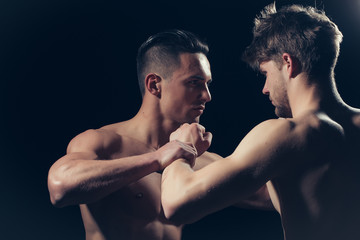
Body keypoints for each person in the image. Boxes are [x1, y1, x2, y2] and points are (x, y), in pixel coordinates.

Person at [161, 4, 360, 240]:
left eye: (266, 74)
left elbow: (175, 204)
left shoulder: (285, 134)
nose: (265, 89)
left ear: (288, 63)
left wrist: (180, 149)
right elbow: (274, 193)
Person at [47, 29, 220, 240]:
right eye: (194, 82)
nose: (207, 96)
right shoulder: (104, 142)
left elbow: (267, 196)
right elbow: (59, 187)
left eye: (207, 84)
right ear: (154, 85)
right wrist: (157, 158)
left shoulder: (197, 157)